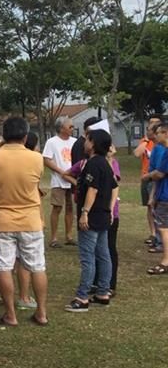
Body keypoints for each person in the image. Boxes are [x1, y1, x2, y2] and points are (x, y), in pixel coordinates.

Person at [0, 116, 50, 327]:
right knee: (37, 266)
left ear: (4, 135)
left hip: (1, 219)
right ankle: (41, 312)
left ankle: (10, 314)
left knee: (4, 267)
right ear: (25, 136)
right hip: (30, 219)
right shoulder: (36, 158)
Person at [64, 128, 117, 312]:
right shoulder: (105, 164)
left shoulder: (93, 164)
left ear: (93, 144)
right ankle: (103, 292)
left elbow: (92, 190)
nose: (84, 143)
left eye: (87, 139)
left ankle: (82, 297)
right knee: (103, 254)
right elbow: (114, 186)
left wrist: (85, 212)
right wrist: (110, 210)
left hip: (92, 217)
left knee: (88, 257)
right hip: (103, 215)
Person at [42, 116, 76, 248]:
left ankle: (69, 236)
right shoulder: (52, 142)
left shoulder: (75, 142)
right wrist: (61, 172)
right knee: (57, 207)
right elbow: (46, 160)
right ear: (61, 128)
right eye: (70, 126)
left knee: (70, 208)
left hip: (72, 180)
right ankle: (54, 238)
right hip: (58, 181)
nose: (72, 129)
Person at [143, 121, 168, 275]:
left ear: (165, 133)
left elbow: (159, 173)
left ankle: (165, 261)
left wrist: (147, 176)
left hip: (165, 196)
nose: (155, 135)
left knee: (164, 229)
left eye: (158, 133)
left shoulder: (166, 152)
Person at [136, 118, 162, 248]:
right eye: (149, 125)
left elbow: (160, 171)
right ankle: (154, 235)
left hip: (154, 179)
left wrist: (149, 175)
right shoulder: (146, 142)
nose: (149, 128)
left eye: (154, 125)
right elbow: (137, 153)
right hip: (147, 178)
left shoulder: (161, 147)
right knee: (150, 207)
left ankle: (160, 239)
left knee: (158, 209)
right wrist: (146, 140)